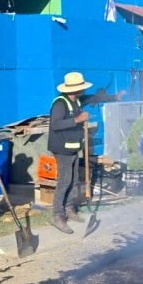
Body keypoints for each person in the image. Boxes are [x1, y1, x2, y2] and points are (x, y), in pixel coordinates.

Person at [48, 71, 92, 234]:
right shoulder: (60, 103)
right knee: (64, 181)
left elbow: (93, 99)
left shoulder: (76, 102)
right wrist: (77, 120)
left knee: (74, 180)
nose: (83, 90)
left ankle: (69, 208)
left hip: (73, 147)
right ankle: (57, 215)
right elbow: (55, 124)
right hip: (62, 148)